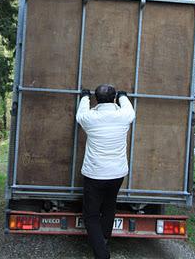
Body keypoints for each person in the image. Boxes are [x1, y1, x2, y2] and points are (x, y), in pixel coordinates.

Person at [76, 84, 135, 259]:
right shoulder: (124, 116)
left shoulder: (90, 118)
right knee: (109, 205)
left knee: (91, 215)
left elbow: (80, 114)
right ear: (114, 98)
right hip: (117, 174)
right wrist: (123, 96)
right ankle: (103, 240)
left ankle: (102, 254)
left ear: (96, 99)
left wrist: (84, 96)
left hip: (95, 174)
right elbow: (128, 107)